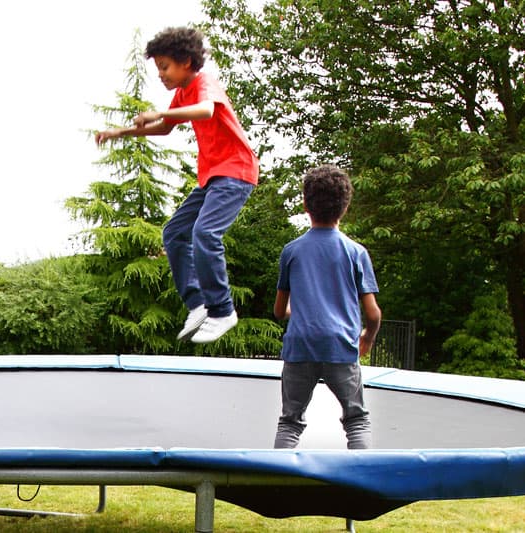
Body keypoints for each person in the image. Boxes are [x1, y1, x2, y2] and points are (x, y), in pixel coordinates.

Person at [95, 27, 259, 344]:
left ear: (186, 62)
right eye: (157, 68)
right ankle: (198, 303)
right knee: (174, 233)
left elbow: (206, 110)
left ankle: (223, 310)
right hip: (213, 176)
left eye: (164, 66)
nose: (160, 74)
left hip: (235, 171)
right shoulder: (182, 94)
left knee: (205, 233)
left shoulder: (204, 83)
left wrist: (162, 111)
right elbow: (165, 129)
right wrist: (120, 133)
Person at [273, 165, 381, 449]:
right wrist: (367, 338)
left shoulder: (291, 251)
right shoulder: (356, 252)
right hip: (340, 346)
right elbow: (373, 313)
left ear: (306, 205)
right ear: (345, 207)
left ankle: (276, 485)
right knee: (356, 419)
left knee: (290, 421)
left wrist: (297, 314)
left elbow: (279, 310)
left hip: (300, 346)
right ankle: (364, 484)